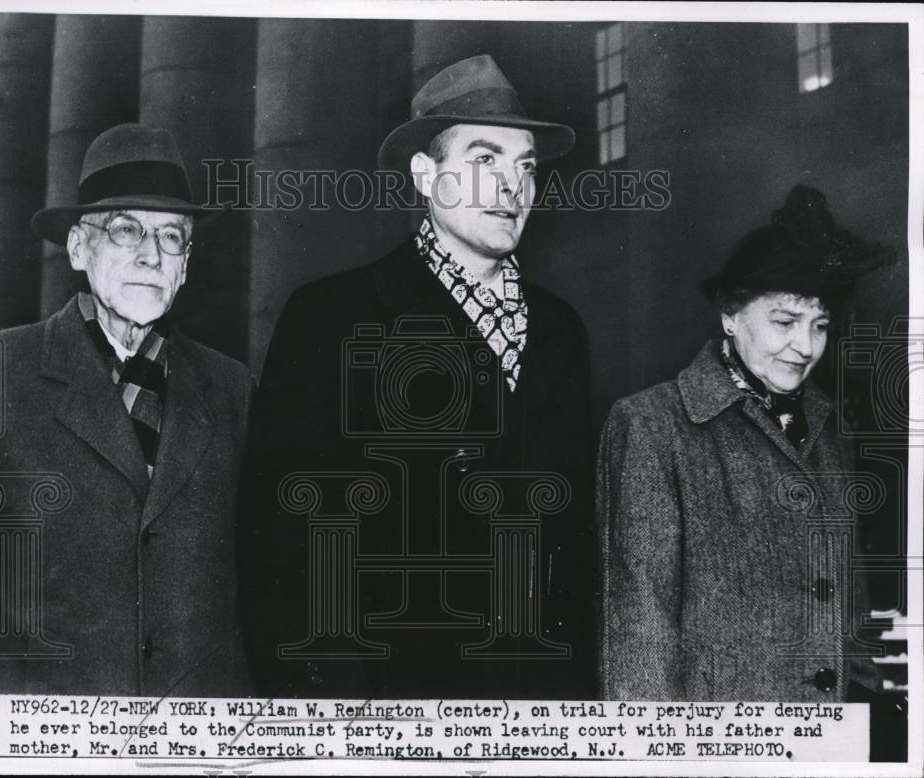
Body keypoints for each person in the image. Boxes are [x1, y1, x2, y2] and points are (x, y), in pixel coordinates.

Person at [240, 54, 596, 700]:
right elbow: (281, 548)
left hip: (536, 704)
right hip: (385, 706)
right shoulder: (333, 318)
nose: (512, 189)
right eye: (485, 161)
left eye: (526, 167)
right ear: (425, 176)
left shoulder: (562, 331)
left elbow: (574, 548)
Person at [0, 124, 254, 755]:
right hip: (41, 750)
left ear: (187, 265)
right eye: (126, 230)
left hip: (198, 749)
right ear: (79, 249)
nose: (150, 255)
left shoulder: (232, 389)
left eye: (171, 237)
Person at [597, 185, 892, 704]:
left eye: (820, 326)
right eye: (784, 322)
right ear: (729, 315)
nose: (805, 347)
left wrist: (865, 725)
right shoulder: (651, 425)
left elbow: (850, 609)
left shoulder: (828, 428)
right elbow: (639, 631)